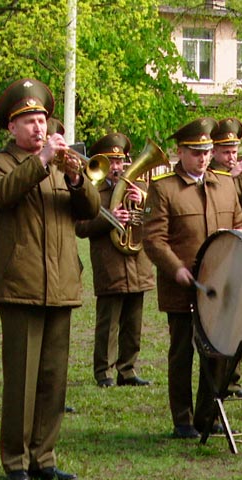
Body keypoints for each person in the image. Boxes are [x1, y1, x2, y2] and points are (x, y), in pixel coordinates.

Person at [0, 78, 100, 480]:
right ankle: (15, 460)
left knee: (53, 379)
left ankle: (44, 457)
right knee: (22, 380)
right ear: (11, 128)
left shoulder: (61, 164)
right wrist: (43, 160)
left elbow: (91, 213)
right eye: (28, 121)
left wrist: (79, 179)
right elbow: (1, 196)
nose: (38, 128)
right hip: (21, 284)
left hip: (62, 282)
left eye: (42, 120)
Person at [143, 117, 242, 439]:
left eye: (205, 151)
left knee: (217, 352)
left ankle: (208, 416)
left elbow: (239, 226)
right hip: (183, 286)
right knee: (182, 354)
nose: (202, 158)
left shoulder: (225, 184)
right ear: (180, 152)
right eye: (194, 152)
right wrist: (175, 268)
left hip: (219, 286)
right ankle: (183, 420)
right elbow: (153, 238)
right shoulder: (164, 189)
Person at [74, 133, 155, 388]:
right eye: (112, 162)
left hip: (138, 264)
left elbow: (154, 220)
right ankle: (104, 372)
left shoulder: (140, 187)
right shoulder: (93, 190)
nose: (118, 168)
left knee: (133, 323)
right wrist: (109, 217)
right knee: (108, 324)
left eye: (121, 162)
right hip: (109, 263)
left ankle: (128, 369)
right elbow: (81, 227)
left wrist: (141, 203)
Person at [207, 117, 242, 398]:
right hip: (222, 252)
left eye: (234, 151)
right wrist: (233, 177)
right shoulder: (212, 177)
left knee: (239, 320)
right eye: (226, 152)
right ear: (213, 151)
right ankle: (221, 381)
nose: (231, 157)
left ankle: (233, 378)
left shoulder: (240, 177)